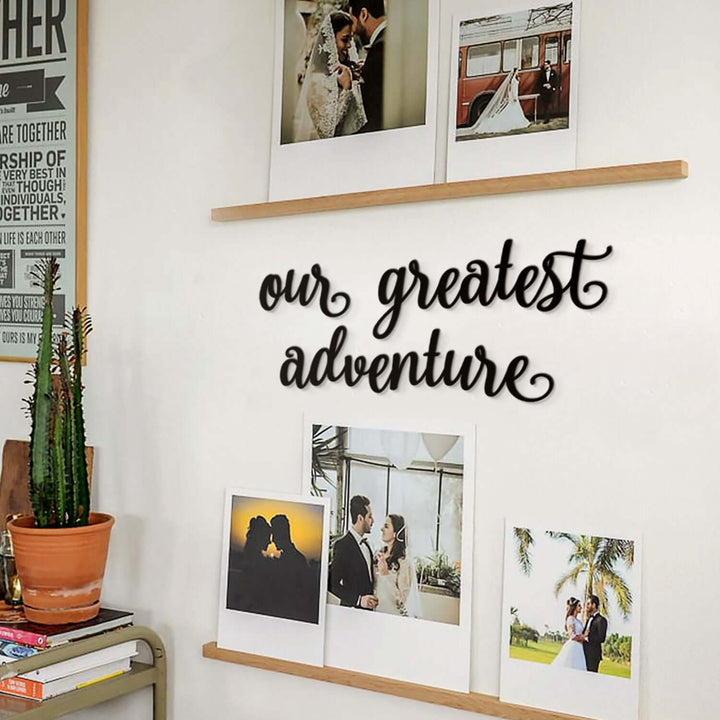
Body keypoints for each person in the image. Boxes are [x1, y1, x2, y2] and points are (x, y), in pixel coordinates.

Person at [293, 11, 367, 142]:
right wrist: (346, 89)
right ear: (330, 42)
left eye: (351, 39)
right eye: (345, 39)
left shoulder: (347, 73)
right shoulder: (317, 81)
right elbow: (327, 132)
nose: (349, 45)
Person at [328, 495, 377, 609]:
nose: (373, 521)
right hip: (351, 612)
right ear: (360, 518)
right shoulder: (343, 545)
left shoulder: (367, 545)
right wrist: (358, 600)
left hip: (369, 613)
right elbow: (331, 583)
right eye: (370, 516)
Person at [348, 0, 386, 133]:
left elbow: (372, 116)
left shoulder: (379, 49)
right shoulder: (391, 38)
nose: (353, 31)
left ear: (363, 14)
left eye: (352, 22)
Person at [462, 68, 529, 136]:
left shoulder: (513, 80)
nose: (518, 73)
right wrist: (514, 97)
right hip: (513, 98)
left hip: (512, 98)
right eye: (517, 72)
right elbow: (513, 90)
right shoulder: (514, 81)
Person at [374, 514, 418, 617]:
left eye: (386, 526)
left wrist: (385, 574)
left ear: (396, 533)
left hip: (391, 614)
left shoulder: (404, 563)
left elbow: (402, 600)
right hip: (374, 611)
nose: (381, 529)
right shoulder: (378, 554)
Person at [550, 597, 587, 670]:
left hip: (579, 647)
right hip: (573, 646)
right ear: (574, 607)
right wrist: (583, 637)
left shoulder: (579, 621)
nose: (581, 607)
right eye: (579, 606)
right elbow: (572, 635)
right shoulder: (570, 619)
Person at [580, 594, 608, 672]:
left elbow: (602, 638)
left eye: (589, 604)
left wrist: (587, 638)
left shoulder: (601, 620)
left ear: (594, 605)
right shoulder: (589, 619)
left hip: (593, 655)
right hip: (584, 653)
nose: (587, 606)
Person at [537, 59, 557, 123]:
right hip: (544, 91)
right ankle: (546, 118)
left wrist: (551, 86)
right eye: (545, 65)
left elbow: (556, 81)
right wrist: (544, 85)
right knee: (545, 105)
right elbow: (539, 82)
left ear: (549, 65)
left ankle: (548, 118)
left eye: (546, 65)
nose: (545, 66)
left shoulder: (553, 72)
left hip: (550, 91)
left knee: (549, 104)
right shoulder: (542, 73)